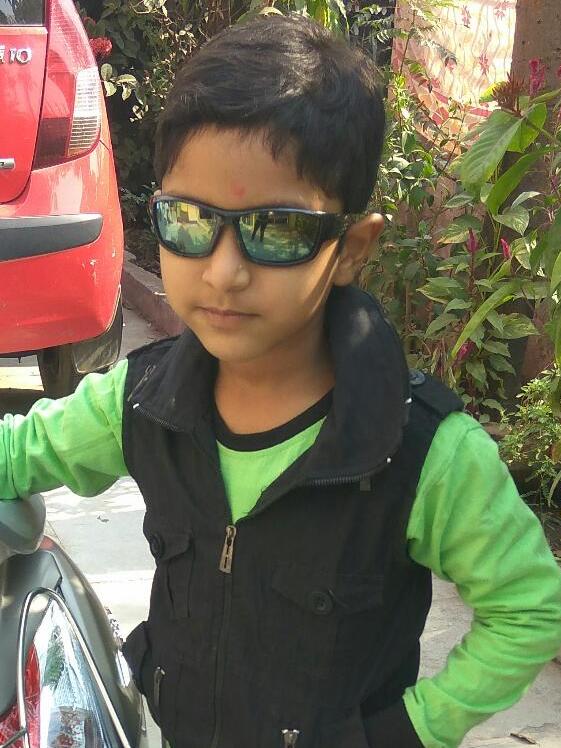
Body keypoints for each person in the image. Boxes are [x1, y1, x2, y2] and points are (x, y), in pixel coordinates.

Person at [1, 14, 561, 748]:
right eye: (189, 220)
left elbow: (527, 608)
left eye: (277, 230)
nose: (223, 271)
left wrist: (405, 732)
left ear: (352, 248)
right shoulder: (138, 403)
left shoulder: (423, 451)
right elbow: (15, 454)